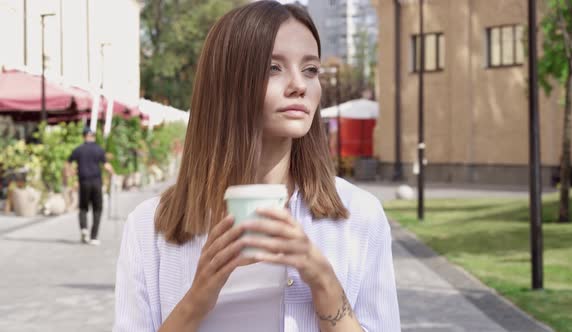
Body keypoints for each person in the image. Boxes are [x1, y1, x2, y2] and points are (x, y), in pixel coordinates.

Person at [113, 1, 401, 331]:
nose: (299, 85)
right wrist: (197, 299)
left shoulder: (359, 215)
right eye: (273, 68)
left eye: (310, 70)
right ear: (226, 84)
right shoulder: (150, 228)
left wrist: (324, 283)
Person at [66, 127, 114, 245]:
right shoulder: (99, 150)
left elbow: (68, 163)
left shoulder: (78, 150)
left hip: (84, 182)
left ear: (83, 137)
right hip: (96, 183)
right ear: (93, 136)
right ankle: (94, 237)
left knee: (83, 208)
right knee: (97, 209)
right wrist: (113, 174)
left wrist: (71, 173)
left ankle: (84, 229)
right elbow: (107, 166)